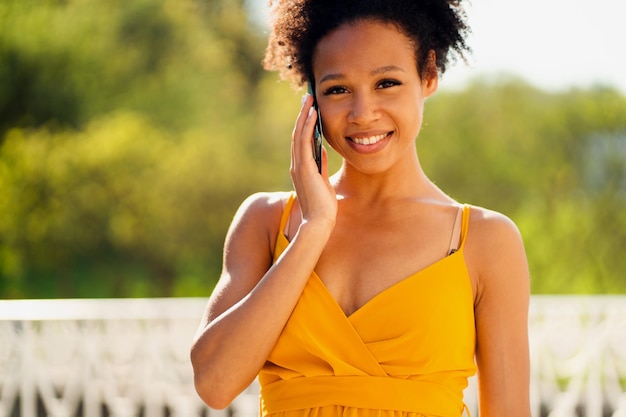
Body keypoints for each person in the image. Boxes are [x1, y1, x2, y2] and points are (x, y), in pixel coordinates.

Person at [190, 0, 531, 416]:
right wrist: (314, 228)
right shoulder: (266, 221)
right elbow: (214, 383)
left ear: (428, 74)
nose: (363, 113)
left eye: (386, 82)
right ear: (312, 97)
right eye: (337, 89)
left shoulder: (483, 239)